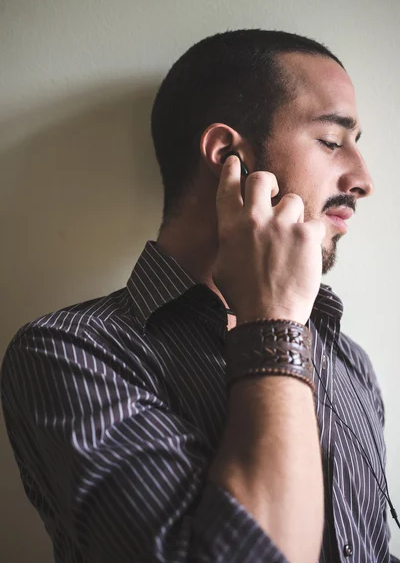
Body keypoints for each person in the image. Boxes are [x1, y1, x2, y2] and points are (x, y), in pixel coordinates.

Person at [1, 29, 398, 563]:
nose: (364, 179)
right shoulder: (70, 354)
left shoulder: (347, 361)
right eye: (332, 141)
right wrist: (273, 319)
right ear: (227, 154)